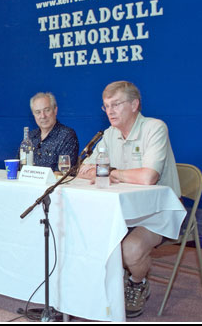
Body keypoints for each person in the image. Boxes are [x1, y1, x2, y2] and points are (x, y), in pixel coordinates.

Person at [77, 81, 181, 318]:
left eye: (116, 104)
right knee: (82, 234)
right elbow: (84, 169)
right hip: (122, 209)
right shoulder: (108, 135)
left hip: (159, 210)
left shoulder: (155, 128)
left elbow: (148, 177)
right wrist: (106, 172)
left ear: (134, 105)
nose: (110, 111)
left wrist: (110, 172)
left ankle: (137, 281)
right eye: (106, 106)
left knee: (129, 250)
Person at [25, 92, 79, 172]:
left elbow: (63, 173)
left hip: (55, 184)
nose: (43, 116)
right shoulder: (30, 137)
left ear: (55, 110)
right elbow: (20, 167)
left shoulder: (67, 136)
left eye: (47, 110)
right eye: (38, 112)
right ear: (33, 114)